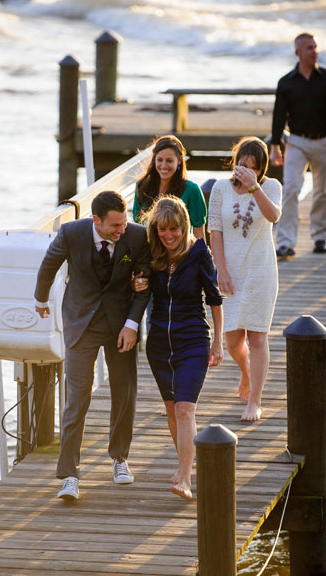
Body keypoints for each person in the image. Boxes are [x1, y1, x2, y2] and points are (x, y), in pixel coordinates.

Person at [34, 190, 151, 501]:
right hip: (81, 322)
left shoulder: (137, 235)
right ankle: (69, 474)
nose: (121, 230)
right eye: (114, 226)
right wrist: (40, 299)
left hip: (121, 324)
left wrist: (132, 324)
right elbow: (49, 265)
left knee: (124, 392)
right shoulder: (71, 233)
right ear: (96, 220)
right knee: (77, 397)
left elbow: (144, 284)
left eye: (123, 223)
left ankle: (120, 459)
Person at [133, 197, 223, 499]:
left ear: (184, 226)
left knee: (185, 409)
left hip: (193, 341)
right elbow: (127, 267)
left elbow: (214, 298)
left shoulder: (198, 252)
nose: (168, 236)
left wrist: (218, 341)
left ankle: (185, 477)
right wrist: (137, 282)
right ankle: (183, 463)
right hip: (159, 343)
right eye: (162, 230)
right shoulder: (153, 254)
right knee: (172, 409)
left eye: (173, 229)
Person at [208, 137, 282, 422]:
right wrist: (221, 270)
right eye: (242, 165)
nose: (246, 170)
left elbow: (273, 215)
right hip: (231, 271)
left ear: (261, 168)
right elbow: (215, 231)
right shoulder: (220, 188)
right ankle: (246, 372)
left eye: (253, 167)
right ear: (235, 162)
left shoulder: (271, 186)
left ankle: (255, 400)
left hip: (261, 270)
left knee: (257, 335)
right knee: (232, 338)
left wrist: (254, 186)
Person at [270, 32, 326, 259]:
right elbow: (278, 116)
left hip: (323, 140)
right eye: (310, 48)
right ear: (298, 52)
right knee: (291, 188)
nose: (315, 52)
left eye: (315, 47)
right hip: (296, 141)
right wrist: (275, 145)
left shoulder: (325, 78)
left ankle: (320, 237)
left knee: (323, 190)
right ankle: (284, 242)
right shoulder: (286, 82)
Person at [132, 135, 207, 241]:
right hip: (147, 252)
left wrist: (202, 256)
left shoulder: (192, 190)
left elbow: (199, 234)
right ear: (154, 160)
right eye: (160, 160)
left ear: (179, 161)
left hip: (180, 253)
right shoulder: (141, 186)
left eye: (169, 161)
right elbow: (137, 228)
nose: (163, 165)